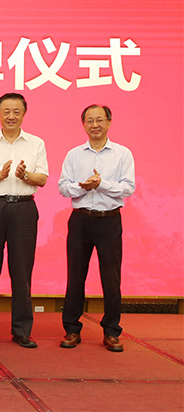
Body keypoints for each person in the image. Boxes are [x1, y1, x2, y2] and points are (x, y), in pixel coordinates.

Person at [0, 93, 48, 349]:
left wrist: (26, 176)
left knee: (22, 271)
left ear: (24, 113)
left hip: (24, 208)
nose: (11, 116)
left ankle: (22, 331)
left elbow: (42, 179)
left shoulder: (36, 143)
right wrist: (0, 175)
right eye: (6, 111)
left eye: (16, 111)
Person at [58, 105, 134, 352]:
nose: (95, 125)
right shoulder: (74, 155)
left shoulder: (122, 154)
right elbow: (63, 187)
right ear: (83, 125)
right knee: (75, 276)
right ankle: (71, 329)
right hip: (80, 220)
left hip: (109, 220)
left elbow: (128, 187)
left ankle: (111, 331)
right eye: (89, 120)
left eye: (99, 120)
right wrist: (83, 187)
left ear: (109, 122)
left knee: (111, 279)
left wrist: (101, 184)